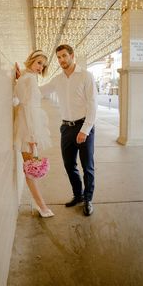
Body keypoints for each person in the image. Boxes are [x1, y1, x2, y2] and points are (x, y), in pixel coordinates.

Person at [36, 44, 97, 216]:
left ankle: (88, 199)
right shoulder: (58, 79)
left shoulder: (86, 76)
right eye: (59, 57)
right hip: (66, 128)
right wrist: (23, 80)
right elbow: (41, 91)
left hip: (84, 126)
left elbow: (93, 105)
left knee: (88, 167)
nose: (61, 60)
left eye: (64, 56)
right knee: (69, 165)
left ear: (72, 55)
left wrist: (85, 130)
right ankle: (78, 195)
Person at [14, 50, 54, 218]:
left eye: (43, 65)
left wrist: (19, 75)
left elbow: (25, 100)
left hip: (28, 125)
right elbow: (28, 106)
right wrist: (32, 136)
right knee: (31, 168)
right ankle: (42, 207)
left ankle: (41, 205)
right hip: (28, 128)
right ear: (31, 60)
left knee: (30, 167)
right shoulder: (29, 78)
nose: (40, 67)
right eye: (38, 63)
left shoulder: (27, 77)